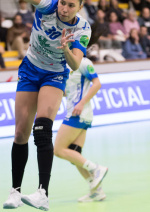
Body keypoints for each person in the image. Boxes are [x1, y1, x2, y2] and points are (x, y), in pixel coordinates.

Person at [0, 0, 121, 210]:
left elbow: (76, 63)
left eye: (70, 6)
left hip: (54, 74)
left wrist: (65, 48)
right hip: (30, 70)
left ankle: (42, 193)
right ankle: (15, 191)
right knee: (21, 132)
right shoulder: (47, 6)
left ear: (79, 8)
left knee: (42, 129)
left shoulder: (82, 29)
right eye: (63, 3)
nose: (64, 9)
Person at [54, 57, 106, 203]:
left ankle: (96, 169)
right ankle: (96, 191)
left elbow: (97, 84)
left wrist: (82, 103)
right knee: (74, 154)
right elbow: (68, 91)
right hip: (76, 113)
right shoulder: (62, 64)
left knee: (58, 150)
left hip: (78, 113)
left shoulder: (84, 62)